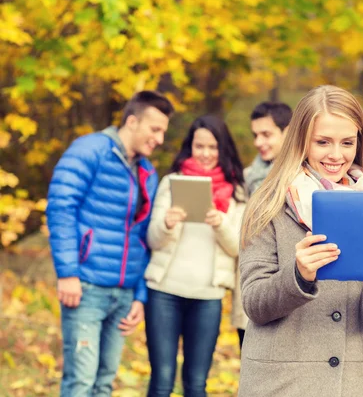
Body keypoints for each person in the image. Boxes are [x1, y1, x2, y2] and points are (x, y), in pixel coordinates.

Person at [238, 85, 363, 397]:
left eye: (347, 142)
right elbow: (254, 303)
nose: (336, 154)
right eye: (323, 142)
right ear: (301, 140)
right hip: (281, 384)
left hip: (349, 383)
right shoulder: (268, 203)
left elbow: (361, 310)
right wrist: (297, 275)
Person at [46, 91, 174, 396]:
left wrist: (139, 296)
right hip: (86, 288)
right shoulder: (90, 150)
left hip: (124, 294)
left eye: (164, 132)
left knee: (104, 384)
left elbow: (142, 237)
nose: (159, 138)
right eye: (154, 129)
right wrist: (67, 274)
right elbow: (60, 207)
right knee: (81, 383)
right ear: (132, 121)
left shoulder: (146, 172)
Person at [144, 115, 246, 397]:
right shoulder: (172, 182)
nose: (205, 154)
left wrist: (220, 223)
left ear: (222, 149)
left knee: (196, 383)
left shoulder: (236, 192)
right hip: (164, 292)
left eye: (212, 147)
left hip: (207, 297)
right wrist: (167, 223)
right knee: (162, 380)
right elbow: (152, 238)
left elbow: (238, 248)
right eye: (199, 146)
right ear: (190, 147)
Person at [235, 100, 293, 348]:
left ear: (288, 131)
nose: (259, 142)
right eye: (255, 135)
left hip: (293, 286)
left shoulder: (304, 177)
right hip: (255, 285)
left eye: (266, 134)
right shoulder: (247, 177)